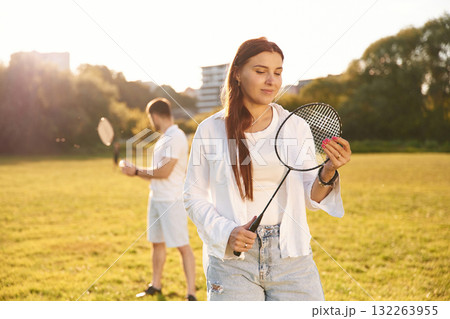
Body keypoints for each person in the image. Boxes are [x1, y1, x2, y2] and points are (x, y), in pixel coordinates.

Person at [183, 37, 351, 301]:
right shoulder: (210, 130)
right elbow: (193, 197)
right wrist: (227, 232)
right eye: (261, 72)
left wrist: (328, 171)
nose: (271, 80)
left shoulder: (295, 127)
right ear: (237, 74)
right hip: (232, 262)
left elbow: (312, 196)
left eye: (278, 72)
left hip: (291, 257)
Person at [121, 98, 197, 301]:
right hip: (156, 198)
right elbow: (156, 172)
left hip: (171, 201)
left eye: (150, 117)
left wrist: (135, 171)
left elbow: (164, 172)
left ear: (155, 115)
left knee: (183, 246)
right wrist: (135, 171)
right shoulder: (164, 138)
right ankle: (156, 285)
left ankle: (191, 293)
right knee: (156, 243)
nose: (150, 121)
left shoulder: (177, 136)